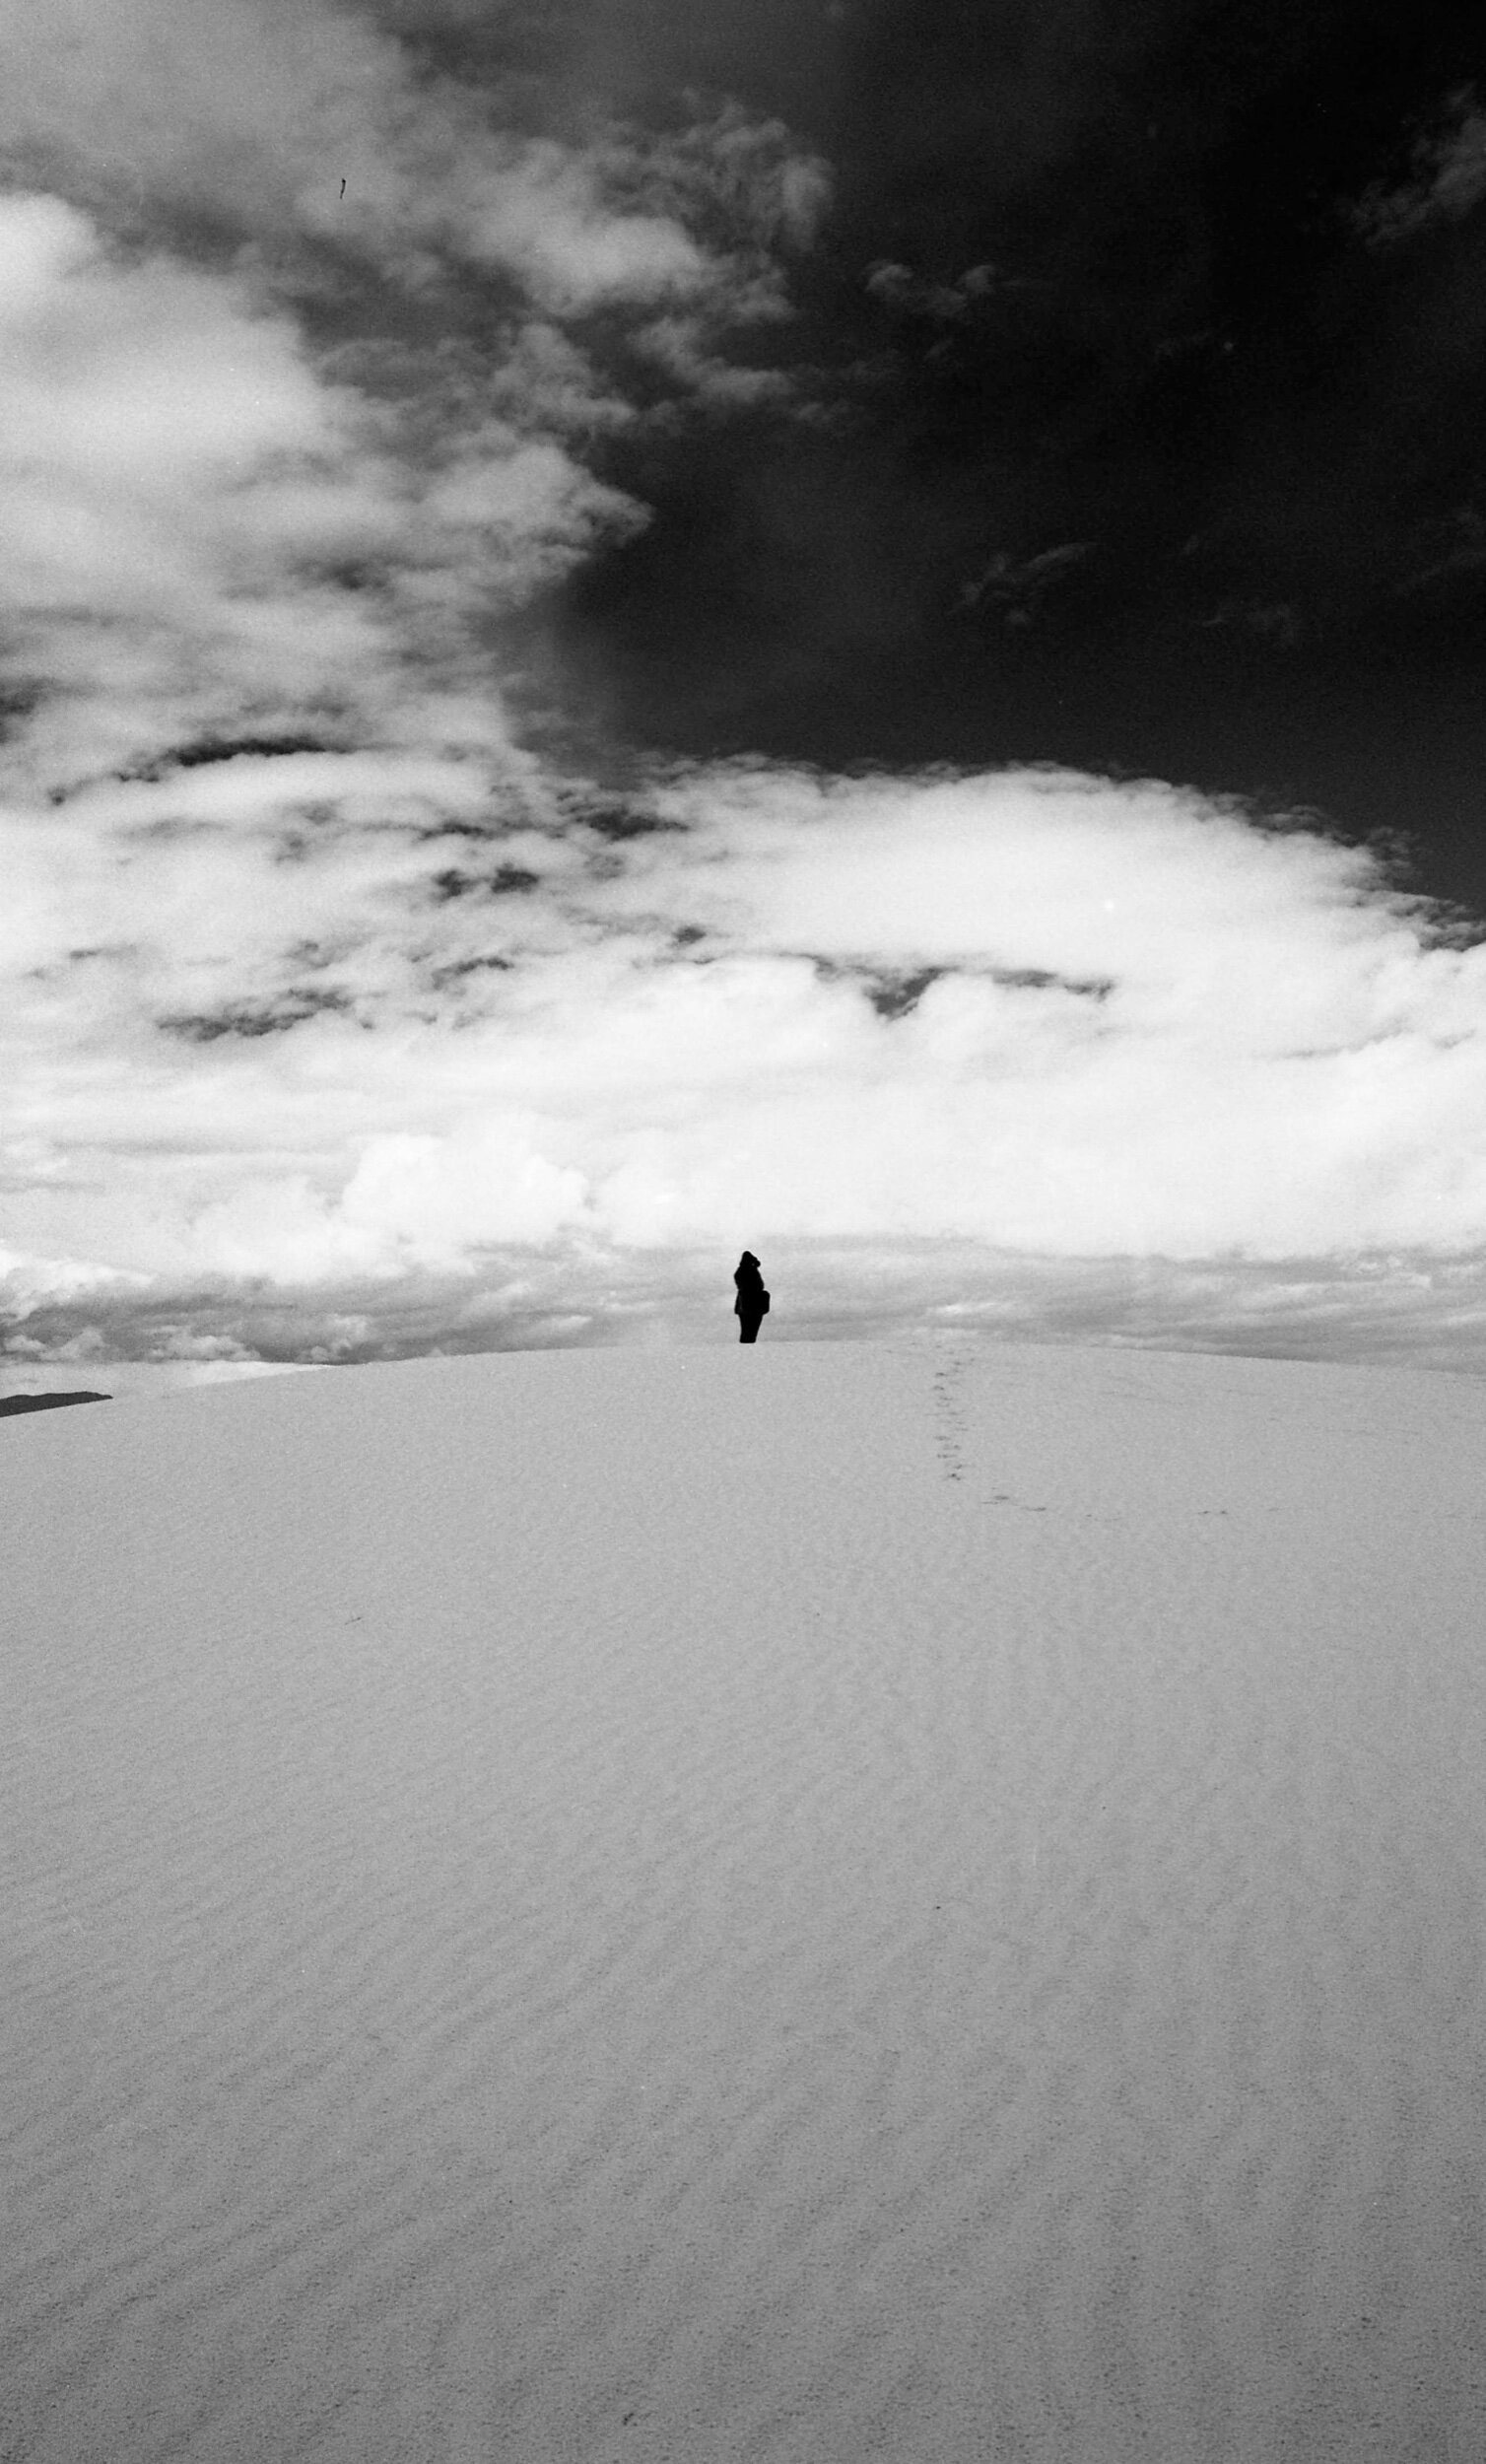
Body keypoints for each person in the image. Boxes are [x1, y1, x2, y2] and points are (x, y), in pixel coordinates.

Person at [733, 1250, 770, 1342]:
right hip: (752, 1304)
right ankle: (747, 1348)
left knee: (747, 1331)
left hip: (747, 1304)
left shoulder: (741, 1271)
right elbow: (757, 1286)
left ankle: (746, 1347)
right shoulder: (749, 1271)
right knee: (750, 1331)